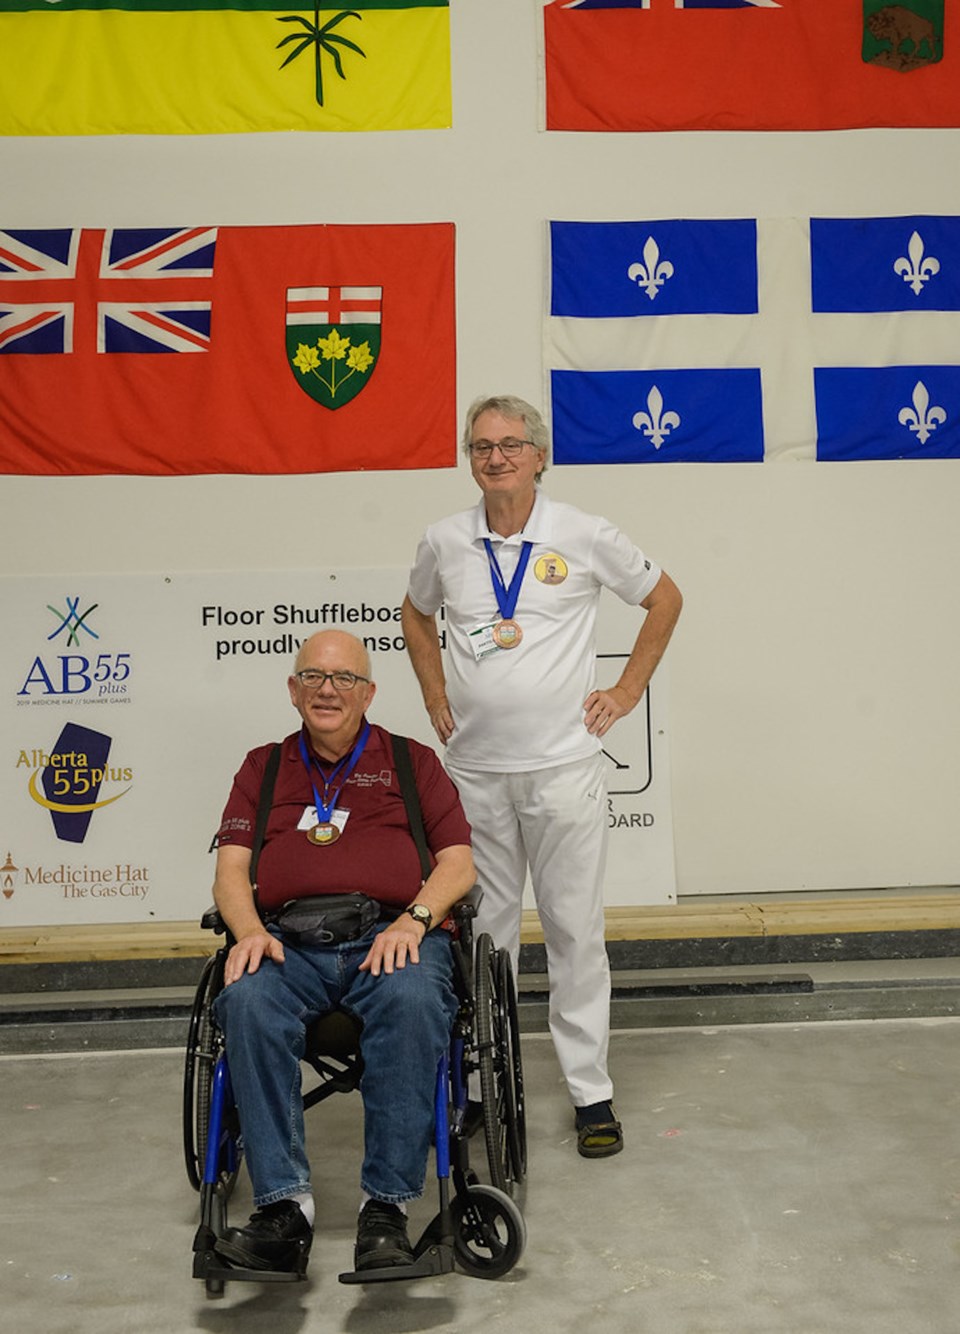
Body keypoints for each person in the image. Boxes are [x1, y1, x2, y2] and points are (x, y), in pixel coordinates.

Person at [402, 394, 682, 1159]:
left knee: (572, 934)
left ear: (540, 456)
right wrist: (433, 689)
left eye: (511, 445)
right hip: (475, 779)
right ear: (470, 458)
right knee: (481, 938)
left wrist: (626, 693)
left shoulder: (584, 533)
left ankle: (590, 1093)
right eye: (482, 446)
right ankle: (480, 1087)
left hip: (563, 771)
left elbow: (664, 597)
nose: (496, 457)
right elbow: (414, 614)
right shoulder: (444, 541)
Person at [210, 630, 474, 1275]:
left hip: (389, 937)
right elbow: (230, 871)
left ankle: (385, 1210)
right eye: (315, 678)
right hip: (287, 942)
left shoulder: (412, 763)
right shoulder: (263, 767)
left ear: (369, 692)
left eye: (345, 678)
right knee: (244, 1001)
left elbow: (459, 865)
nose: (329, 690)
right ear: (294, 689)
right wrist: (249, 932)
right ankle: (282, 1209)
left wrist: (412, 922)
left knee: (414, 1002)